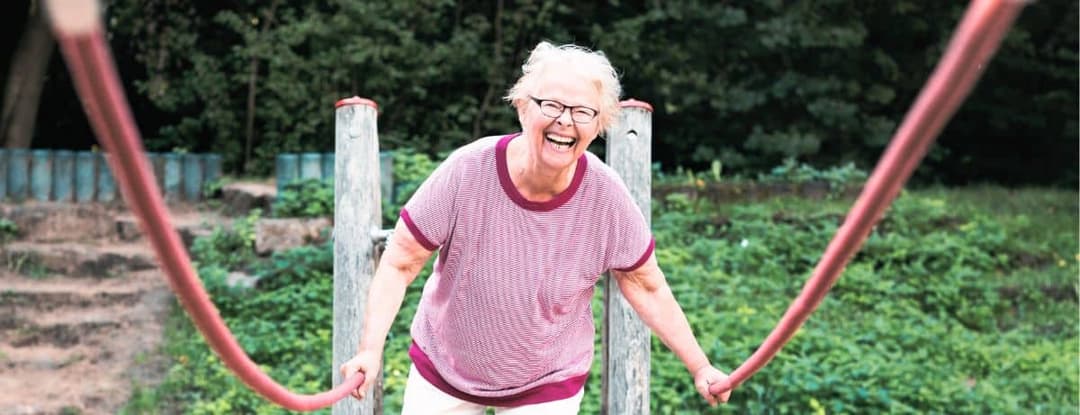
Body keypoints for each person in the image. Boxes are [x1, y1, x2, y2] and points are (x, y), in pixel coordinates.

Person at [340, 41, 731, 414]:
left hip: (547, 378)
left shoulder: (606, 197)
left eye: (582, 111)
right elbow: (400, 262)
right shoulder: (467, 170)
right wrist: (370, 350)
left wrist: (701, 366)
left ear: (599, 125)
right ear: (524, 107)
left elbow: (647, 285)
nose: (565, 121)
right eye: (551, 104)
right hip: (445, 365)